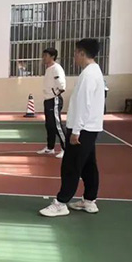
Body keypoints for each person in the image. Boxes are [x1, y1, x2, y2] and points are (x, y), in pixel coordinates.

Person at [40, 39, 105, 217]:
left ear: (82, 53)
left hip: (83, 129)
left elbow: (84, 104)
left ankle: (61, 203)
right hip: (90, 128)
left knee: (71, 166)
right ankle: (89, 200)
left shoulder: (88, 75)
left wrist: (76, 131)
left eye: (76, 52)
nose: (74, 56)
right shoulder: (94, 71)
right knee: (89, 165)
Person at [37, 48, 67, 159]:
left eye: (46, 55)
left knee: (56, 125)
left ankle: (66, 149)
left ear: (52, 56)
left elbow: (62, 86)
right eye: (43, 55)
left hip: (54, 100)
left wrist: (55, 94)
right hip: (48, 100)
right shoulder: (48, 69)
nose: (44, 58)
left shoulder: (56, 68)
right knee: (49, 125)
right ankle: (50, 148)